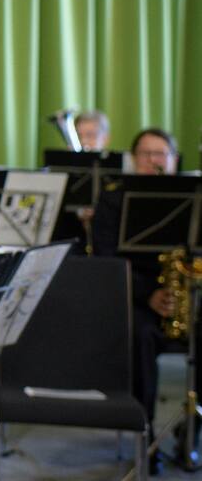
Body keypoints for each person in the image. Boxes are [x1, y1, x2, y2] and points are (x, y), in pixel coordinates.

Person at [92, 126, 184, 468]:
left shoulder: (191, 198)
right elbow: (106, 260)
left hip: (183, 298)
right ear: (133, 159)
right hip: (136, 299)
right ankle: (146, 435)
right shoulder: (113, 199)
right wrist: (149, 295)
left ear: (174, 160)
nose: (153, 161)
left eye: (160, 154)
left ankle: (193, 426)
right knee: (140, 336)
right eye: (145, 154)